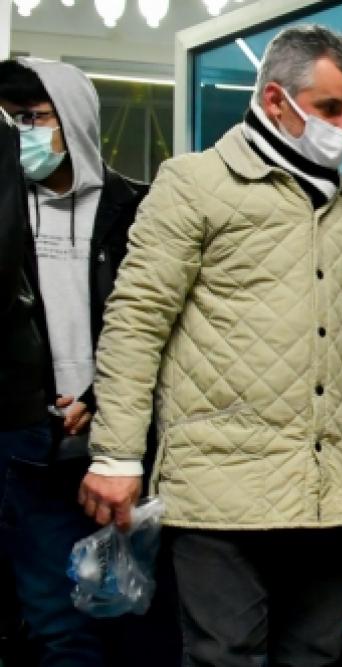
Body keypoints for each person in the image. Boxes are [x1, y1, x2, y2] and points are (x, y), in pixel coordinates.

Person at [77, 25, 342, 666]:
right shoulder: (194, 184)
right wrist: (116, 456)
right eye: (330, 108)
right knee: (227, 656)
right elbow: (137, 320)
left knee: (314, 656)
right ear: (276, 101)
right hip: (219, 489)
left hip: (326, 493)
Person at [0, 58, 150, 667]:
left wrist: (100, 396)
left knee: (138, 616)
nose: (23, 135)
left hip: (121, 444)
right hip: (33, 444)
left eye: (34, 118)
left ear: (75, 119)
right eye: (12, 121)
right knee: (56, 622)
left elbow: (152, 326)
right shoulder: (8, 212)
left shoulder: (137, 211)